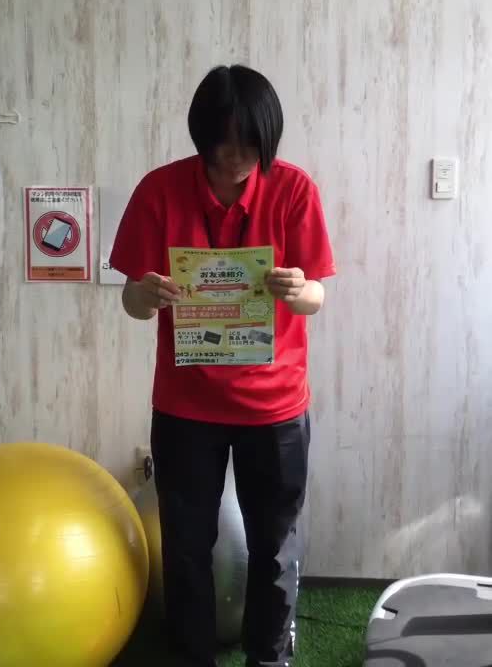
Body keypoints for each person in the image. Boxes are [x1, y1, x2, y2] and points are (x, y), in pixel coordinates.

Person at [110, 65, 336, 667]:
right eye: (222, 143)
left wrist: (299, 290)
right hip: (186, 405)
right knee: (186, 548)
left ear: (268, 139)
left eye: (250, 144)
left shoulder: (293, 190)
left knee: (275, 546)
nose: (235, 157)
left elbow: (318, 295)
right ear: (200, 136)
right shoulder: (159, 191)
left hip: (275, 405)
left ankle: (270, 657)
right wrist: (146, 293)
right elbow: (131, 302)